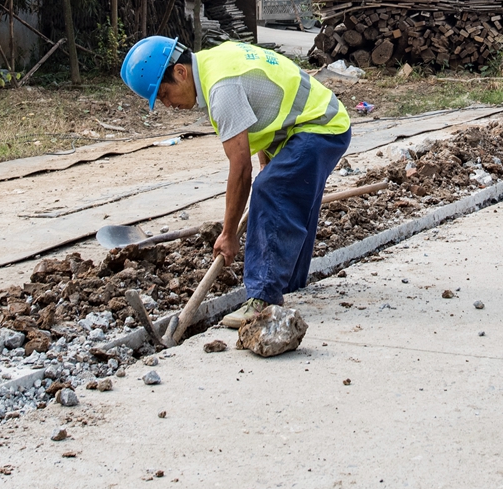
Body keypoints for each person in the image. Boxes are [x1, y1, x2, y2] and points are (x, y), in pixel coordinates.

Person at [120, 36, 352, 328]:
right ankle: (291, 281)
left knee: (270, 190)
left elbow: (241, 170)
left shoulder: (221, 89)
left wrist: (228, 235)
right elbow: (267, 105)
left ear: (180, 72)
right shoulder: (216, 63)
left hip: (320, 127)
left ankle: (263, 299)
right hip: (319, 123)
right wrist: (269, 163)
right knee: (288, 194)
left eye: (165, 94)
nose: (168, 105)